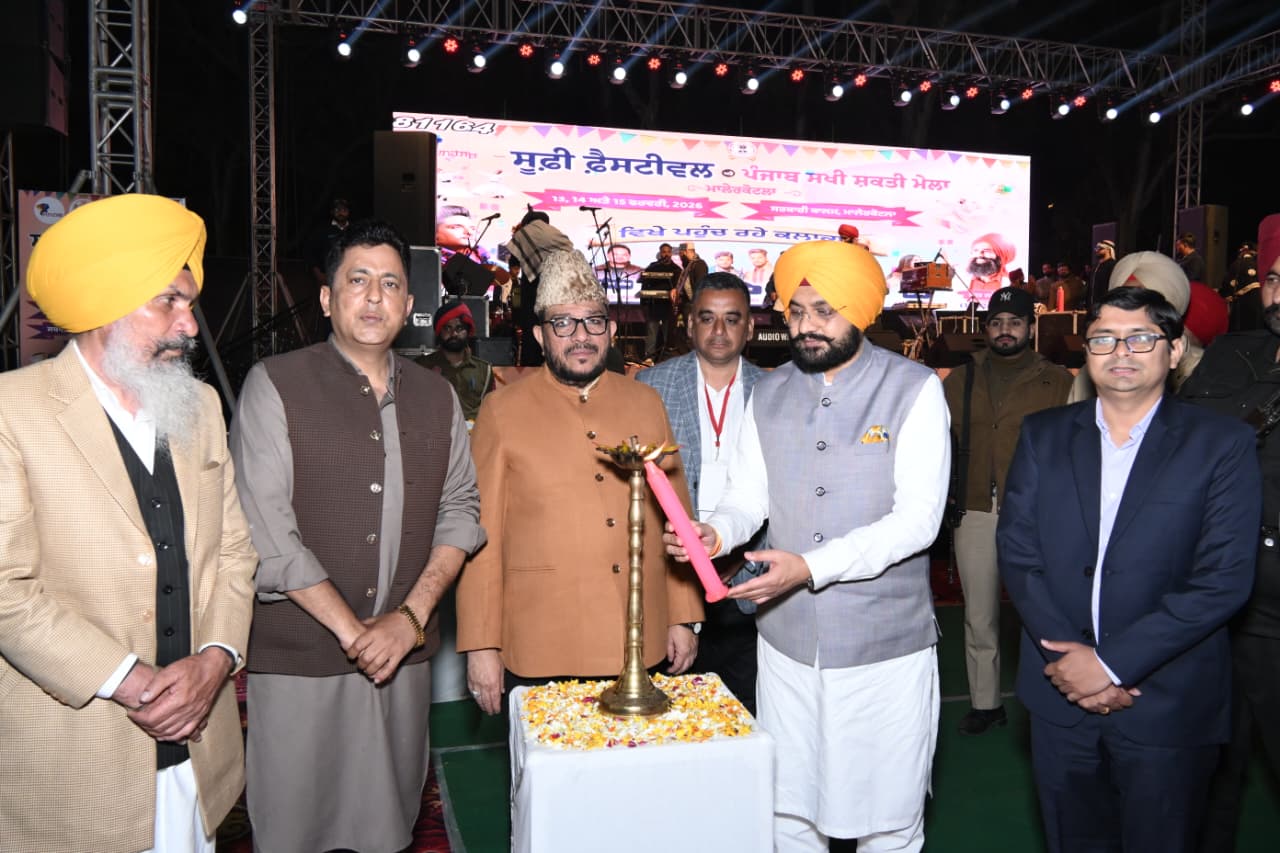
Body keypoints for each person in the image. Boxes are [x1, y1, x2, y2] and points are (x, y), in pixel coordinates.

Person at [668, 240, 950, 852]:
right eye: (796, 312)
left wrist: (809, 568)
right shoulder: (769, 392)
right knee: (789, 812)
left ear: (860, 311)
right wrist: (717, 532)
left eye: (825, 311)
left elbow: (918, 522)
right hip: (786, 645)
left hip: (883, 648)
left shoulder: (914, 388)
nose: (806, 326)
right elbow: (749, 496)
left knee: (889, 818)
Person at [0, 193, 257, 852]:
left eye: (190, 304)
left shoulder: (200, 406)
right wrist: (134, 682)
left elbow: (235, 552)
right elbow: (6, 591)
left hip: (197, 752)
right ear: (103, 301)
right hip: (78, 764)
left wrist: (216, 660)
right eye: (169, 301)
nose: (190, 326)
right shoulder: (11, 412)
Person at [230, 219, 485, 853]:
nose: (374, 297)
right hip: (301, 658)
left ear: (408, 303)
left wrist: (409, 621)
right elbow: (266, 530)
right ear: (326, 298)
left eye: (390, 284)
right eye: (358, 280)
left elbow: (460, 510)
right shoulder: (275, 383)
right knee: (293, 828)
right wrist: (355, 633)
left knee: (389, 825)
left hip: (403, 663)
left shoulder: (436, 396)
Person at [998, 286, 1260, 853]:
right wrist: (1072, 663)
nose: (1121, 351)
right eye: (1104, 339)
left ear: (1175, 349)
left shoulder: (1223, 443)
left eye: (1141, 338)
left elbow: (1224, 579)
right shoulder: (1043, 434)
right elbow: (1019, 553)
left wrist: (1110, 665)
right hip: (1059, 693)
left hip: (1167, 701)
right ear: (1086, 351)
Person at [458, 249, 703, 716]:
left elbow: (676, 518)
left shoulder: (645, 402)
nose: (580, 337)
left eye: (592, 322)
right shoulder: (502, 411)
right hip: (541, 642)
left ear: (610, 331)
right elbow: (480, 537)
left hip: (639, 639)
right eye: (563, 324)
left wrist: (684, 615)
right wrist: (481, 644)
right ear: (540, 336)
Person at [1182, 232, 1280, 853]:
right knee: (1207, 782)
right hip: (1213, 614)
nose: (1279, 293)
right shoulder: (1231, 356)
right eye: (1274, 279)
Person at [943, 287, 1073, 736]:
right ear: (986, 329)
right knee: (979, 615)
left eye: (1014, 322)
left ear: (1029, 328)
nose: (1005, 330)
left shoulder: (1057, 381)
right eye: (997, 323)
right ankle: (985, 703)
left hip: (1037, 511)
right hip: (975, 508)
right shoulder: (960, 381)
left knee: (1045, 610)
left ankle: (1057, 695)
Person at [637, 273, 766, 713]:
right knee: (673, 717)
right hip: (674, 578)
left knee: (746, 716)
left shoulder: (774, 391)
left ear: (750, 327)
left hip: (749, 581)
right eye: (707, 318)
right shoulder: (651, 387)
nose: (719, 330)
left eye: (732, 319)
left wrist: (737, 559)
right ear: (690, 324)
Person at [1067, 251, 1201, 402]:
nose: (1129, 309)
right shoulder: (1089, 376)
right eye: (1123, 298)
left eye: (1142, 300)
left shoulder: (1203, 371)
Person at [415, 300, 494, 423]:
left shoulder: (484, 370)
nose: (454, 334)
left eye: (459, 328)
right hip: (434, 432)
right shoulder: (422, 367)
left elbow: (491, 411)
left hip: (473, 433)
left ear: (468, 331)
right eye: (447, 328)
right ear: (439, 332)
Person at [641, 242, 682, 359]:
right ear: (660, 253)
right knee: (652, 333)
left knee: (668, 334)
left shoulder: (676, 269)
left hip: (669, 306)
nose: (666, 254)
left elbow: (679, 287)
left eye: (668, 252)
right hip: (654, 306)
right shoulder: (653, 266)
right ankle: (649, 358)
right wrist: (644, 303)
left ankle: (667, 358)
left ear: (671, 254)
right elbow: (644, 284)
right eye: (664, 252)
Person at [1222, 241, 1262, 331]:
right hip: (1259, 301)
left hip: (1241, 303)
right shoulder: (1259, 264)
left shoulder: (1235, 264)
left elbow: (1227, 285)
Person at [966, 232, 1016, 304]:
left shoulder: (1010, 284)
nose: (979, 255)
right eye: (976, 250)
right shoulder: (961, 279)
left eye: (987, 251)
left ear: (1001, 256)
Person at [1089, 240, 1117, 312]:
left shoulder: (1113, 265)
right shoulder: (1096, 266)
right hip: (1093, 306)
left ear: (1108, 250)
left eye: (1100, 248)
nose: (1097, 250)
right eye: (1097, 248)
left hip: (1106, 305)